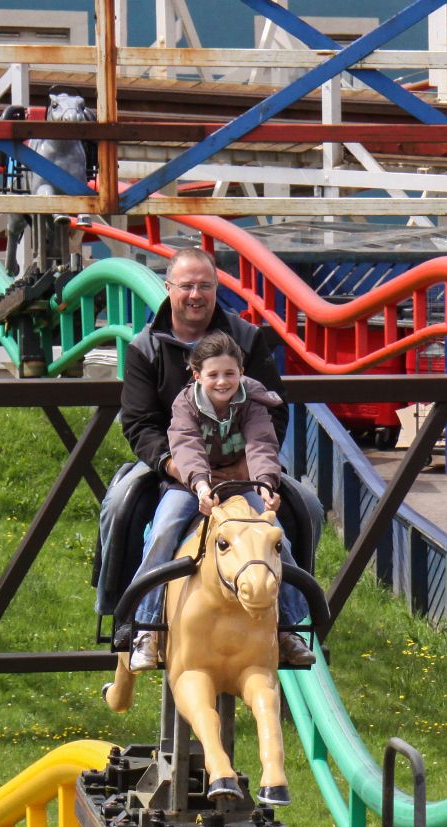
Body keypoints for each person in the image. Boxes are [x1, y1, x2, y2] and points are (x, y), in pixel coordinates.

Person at [119, 248, 312, 669]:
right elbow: (143, 425)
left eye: (204, 286)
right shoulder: (147, 351)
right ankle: (142, 625)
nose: (195, 295)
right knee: (154, 520)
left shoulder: (246, 340)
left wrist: (261, 477)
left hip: (243, 470)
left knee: (286, 523)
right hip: (178, 470)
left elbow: (268, 424)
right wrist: (185, 472)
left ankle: (291, 625)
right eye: (186, 286)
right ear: (169, 289)